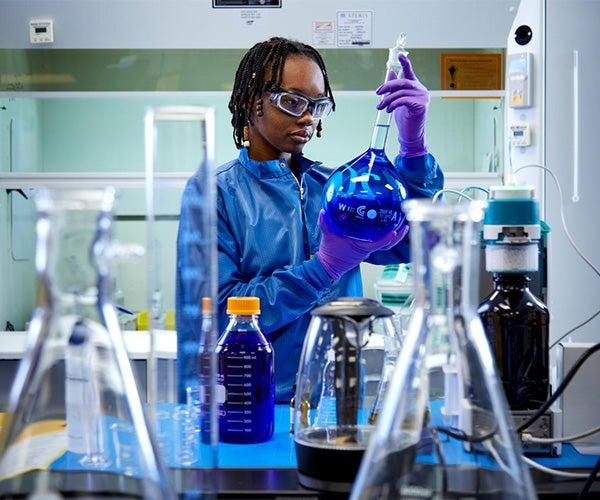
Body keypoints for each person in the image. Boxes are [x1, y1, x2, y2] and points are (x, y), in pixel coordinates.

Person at [176, 36, 444, 404]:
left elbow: (420, 239)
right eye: (292, 101)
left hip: (338, 404)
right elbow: (220, 317)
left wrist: (413, 148)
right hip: (253, 406)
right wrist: (323, 269)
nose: (306, 116)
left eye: (318, 105)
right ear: (251, 103)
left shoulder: (337, 189)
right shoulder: (214, 193)